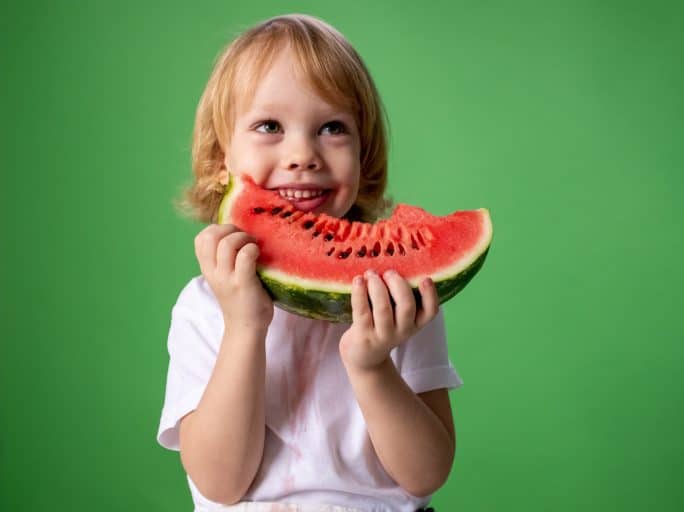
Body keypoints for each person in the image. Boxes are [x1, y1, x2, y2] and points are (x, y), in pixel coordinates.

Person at [156, 14, 460, 512]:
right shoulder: (203, 307)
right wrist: (243, 326)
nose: (303, 154)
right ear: (221, 162)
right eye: (269, 126)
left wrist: (372, 365)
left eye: (333, 128)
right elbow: (220, 483)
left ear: (365, 159)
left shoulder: (397, 296)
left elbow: (427, 475)